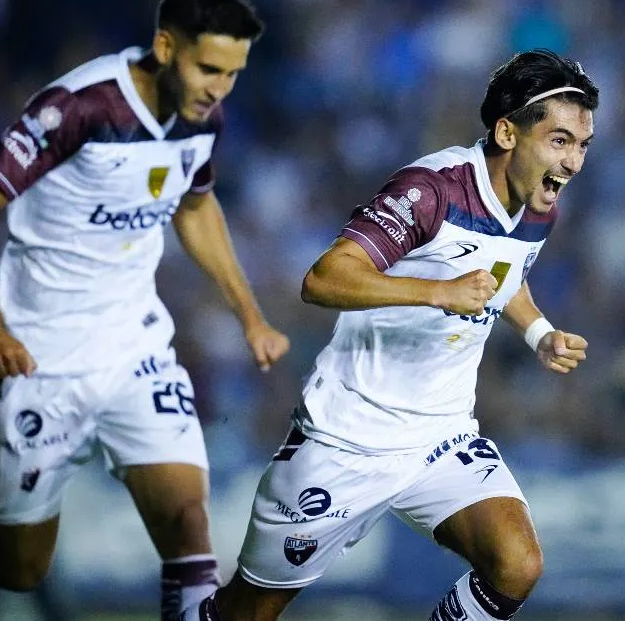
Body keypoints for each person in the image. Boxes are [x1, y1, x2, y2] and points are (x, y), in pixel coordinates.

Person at [0, 0, 290, 621]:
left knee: (189, 523)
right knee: (19, 567)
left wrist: (249, 314)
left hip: (135, 346)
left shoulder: (202, 117)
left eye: (233, 73)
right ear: (164, 47)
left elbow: (195, 204)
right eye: (210, 68)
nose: (221, 88)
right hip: (39, 357)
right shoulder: (80, 108)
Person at [184, 48, 599, 621]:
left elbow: (507, 279)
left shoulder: (538, 207)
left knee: (517, 564)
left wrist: (539, 333)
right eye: (560, 141)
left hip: (441, 436)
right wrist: (438, 292)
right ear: (507, 132)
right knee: (245, 613)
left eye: (582, 145)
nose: (574, 161)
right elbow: (325, 277)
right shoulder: (432, 190)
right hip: (346, 439)